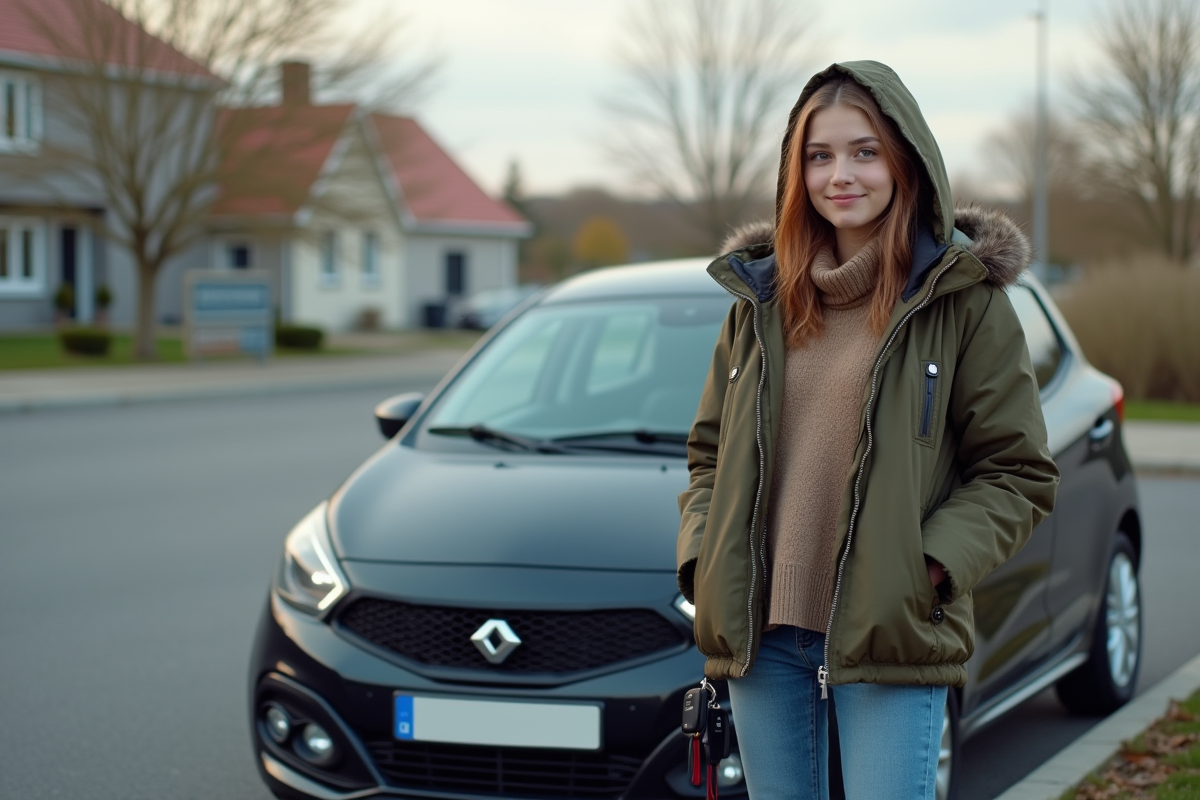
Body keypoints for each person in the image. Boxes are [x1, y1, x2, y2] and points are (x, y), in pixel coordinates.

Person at [675, 61, 1060, 800]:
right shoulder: (758, 304)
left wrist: (929, 566)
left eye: (864, 151)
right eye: (819, 156)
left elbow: (1017, 473)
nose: (839, 174)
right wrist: (703, 562)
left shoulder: (961, 303)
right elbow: (707, 457)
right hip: (762, 636)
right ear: (797, 172)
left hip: (892, 627)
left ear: (904, 162)